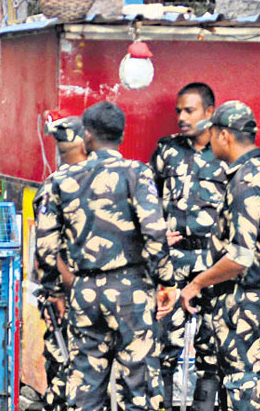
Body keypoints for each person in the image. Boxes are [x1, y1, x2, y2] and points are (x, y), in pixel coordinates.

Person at [35, 101, 176, 411]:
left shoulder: (62, 181)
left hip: (84, 293)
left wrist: (55, 291)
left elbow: (45, 246)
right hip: (132, 292)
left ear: (87, 135)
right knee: (139, 390)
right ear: (122, 136)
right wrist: (166, 282)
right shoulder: (137, 173)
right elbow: (154, 230)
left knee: (84, 389)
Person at [164, 102, 260, 411]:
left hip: (245, 301)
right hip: (253, 297)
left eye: (212, 134)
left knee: (242, 387)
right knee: (235, 385)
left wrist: (195, 284)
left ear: (225, 136)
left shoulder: (245, 181)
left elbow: (240, 257)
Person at [150, 82, 222, 410]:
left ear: (209, 112)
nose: (181, 117)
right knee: (164, 345)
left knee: (211, 349)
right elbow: (146, 201)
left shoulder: (225, 153)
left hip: (212, 262)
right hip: (172, 261)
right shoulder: (167, 150)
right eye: (178, 110)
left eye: (189, 111)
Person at [34, 116, 87, 411]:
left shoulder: (61, 183)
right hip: (65, 296)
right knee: (64, 368)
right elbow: (47, 251)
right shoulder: (55, 187)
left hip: (79, 293)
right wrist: (58, 291)